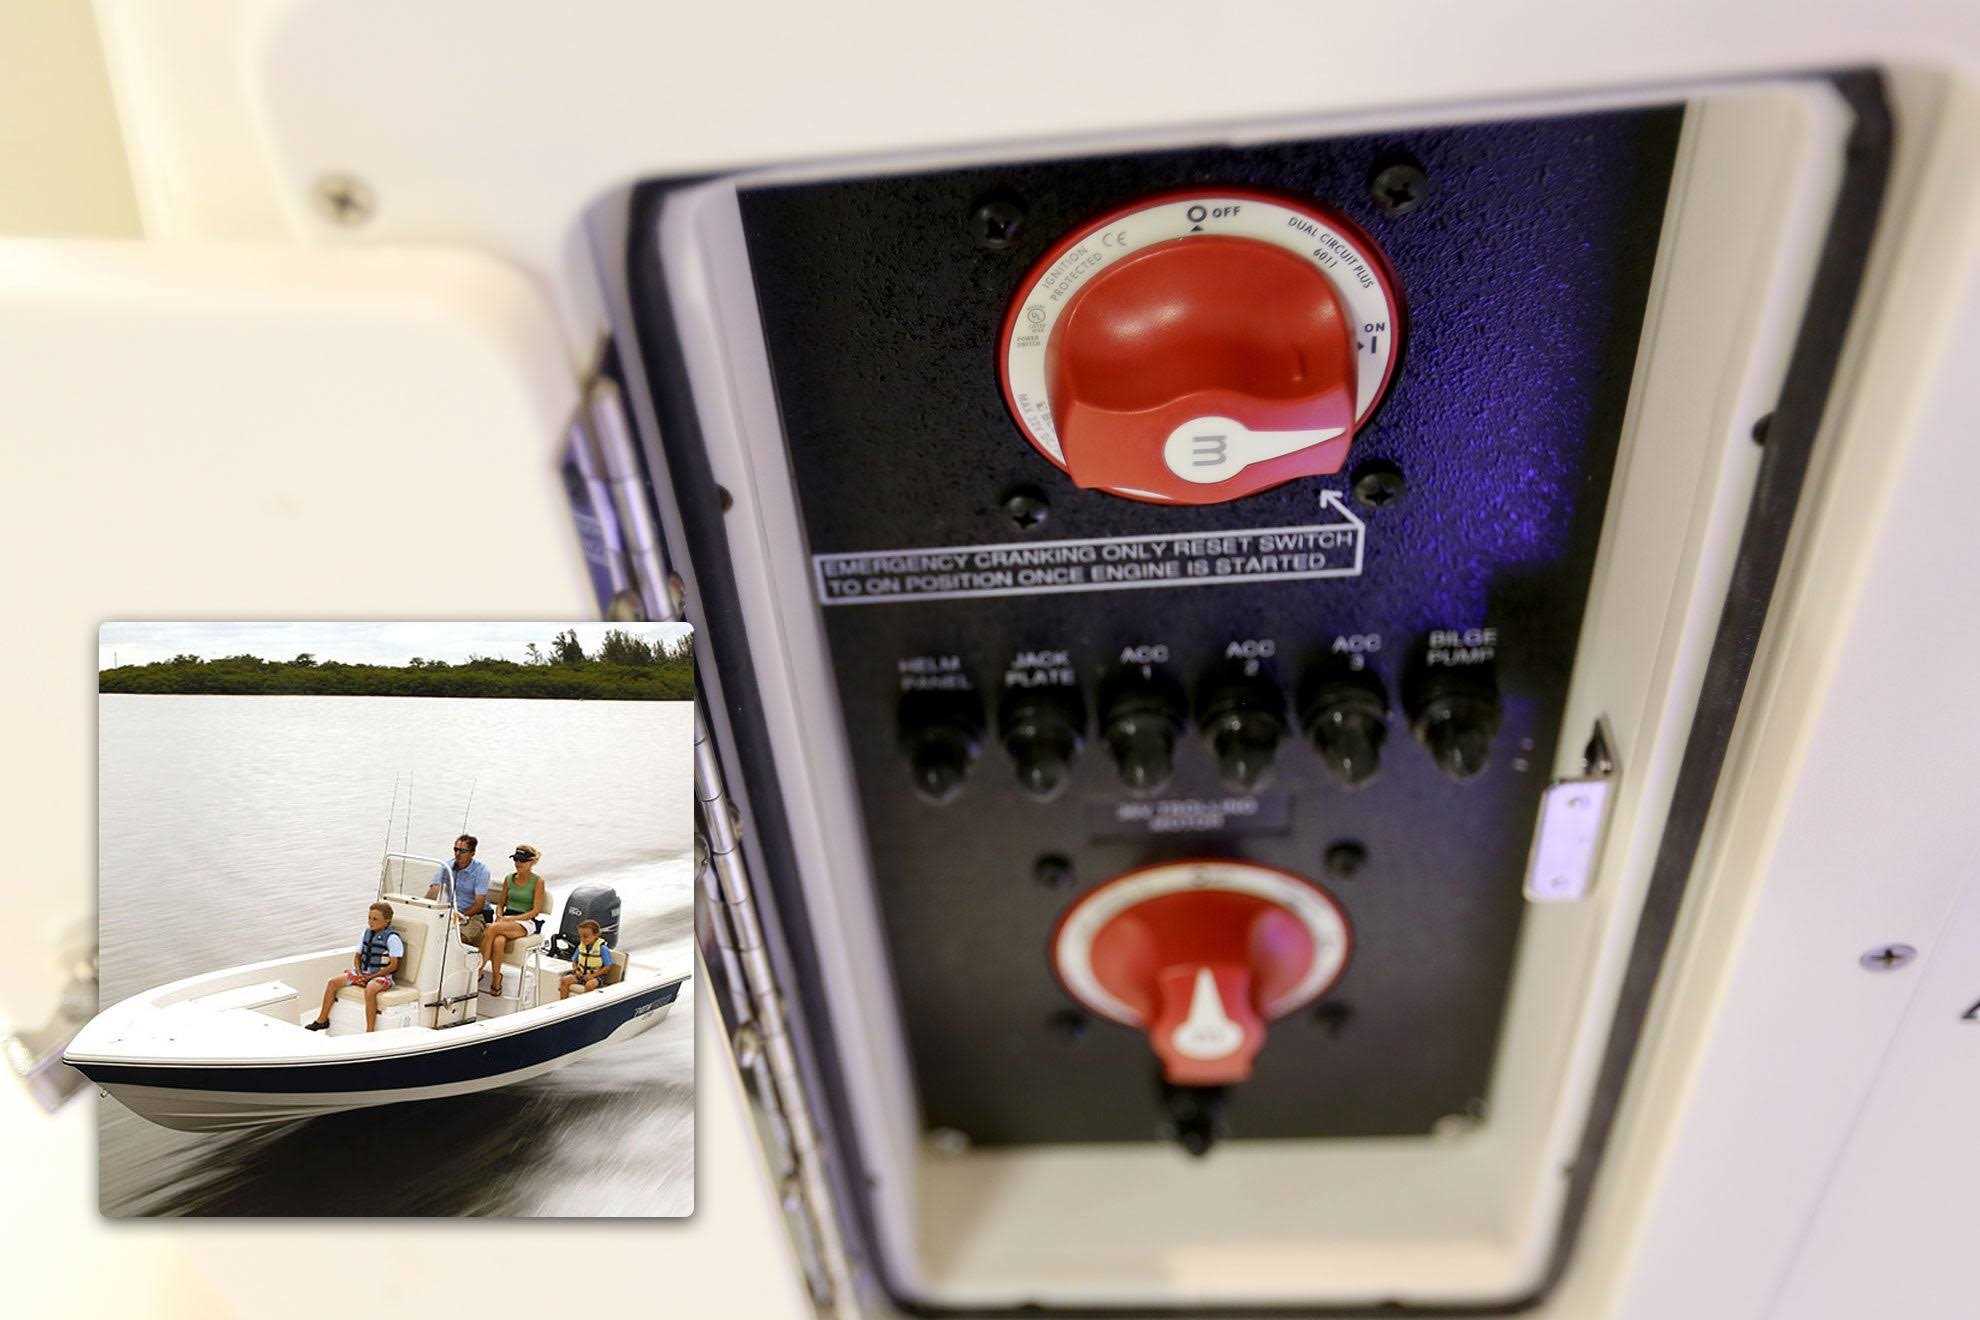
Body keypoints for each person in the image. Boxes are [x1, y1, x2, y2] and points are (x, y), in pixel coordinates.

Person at [306, 902, 403, 1033]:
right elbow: (357, 956)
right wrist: (359, 972)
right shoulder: (366, 933)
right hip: (363, 973)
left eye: (375, 919)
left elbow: (394, 965)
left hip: (381, 976)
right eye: (369, 918)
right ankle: (322, 1020)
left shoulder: (392, 939)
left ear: (387, 921)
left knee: (370, 989)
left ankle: (370, 1031)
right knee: (332, 982)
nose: (370, 922)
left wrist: (371, 976)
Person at [481, 843, 549, 997]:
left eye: (522, 860)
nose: (518, 863)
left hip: (526, 920)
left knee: (491, 928)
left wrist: (511, 919)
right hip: (507, 918)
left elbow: (535, 911)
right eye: (516, 859)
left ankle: (479, 968)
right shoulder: (509, 878)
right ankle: (496, 979)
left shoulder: (538, 881)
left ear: (531, 862)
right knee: (498, 941)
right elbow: (501, 904)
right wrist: (500, 915)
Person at [427, 834, 491, 945]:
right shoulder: (447, 867)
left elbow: (479, 905)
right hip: (452, 913)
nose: (457, 853)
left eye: (462, 851)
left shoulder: (482, 871)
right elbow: (433, 890)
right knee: (430, 932)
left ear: (472, 853)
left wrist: (460, 916)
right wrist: (424, 908)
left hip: (475, 915)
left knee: (458, 937)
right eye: (455, 849)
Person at [559, 919, 613, 999]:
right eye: (580, 936)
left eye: (585, 936)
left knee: (589, 985)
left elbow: (607, 967)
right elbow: (574, 961)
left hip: (596, 976)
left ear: (596, 935)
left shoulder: (602, 949)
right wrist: (576, 970)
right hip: (581, 974)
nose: (582, 939)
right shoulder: (581, 947)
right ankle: (563, 1002)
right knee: (564, 980)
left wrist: (592, 976)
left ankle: (585, 1003)